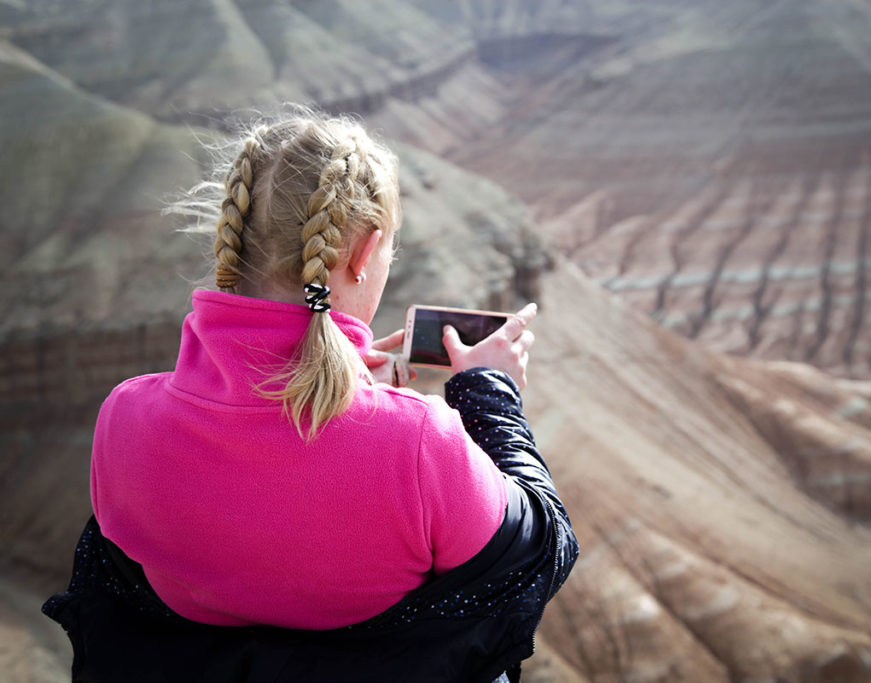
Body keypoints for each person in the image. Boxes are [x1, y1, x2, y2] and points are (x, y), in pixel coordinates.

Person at [42, 111, 578, 682]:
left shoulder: (125, 418)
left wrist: (351, 394)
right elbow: (542, 550)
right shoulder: (421, 443)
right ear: (364, 253)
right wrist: (489, 390)